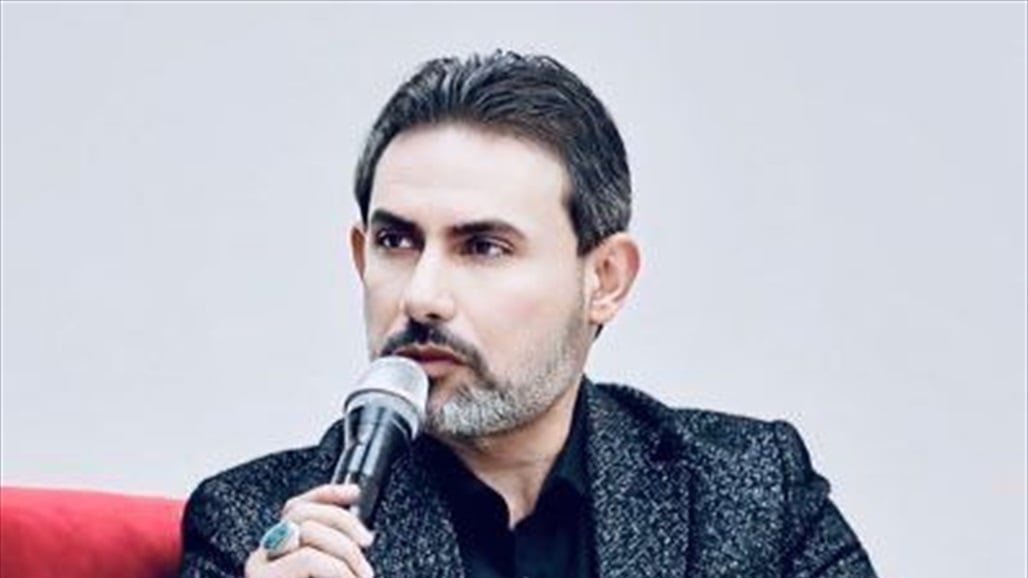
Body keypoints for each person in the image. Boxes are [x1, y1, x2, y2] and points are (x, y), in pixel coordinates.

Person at [178, 50, 876, 578]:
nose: (422, 296)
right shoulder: (252, 526)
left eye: (483, 247)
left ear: (604, 279)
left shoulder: (746, 492)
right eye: (396, 242)